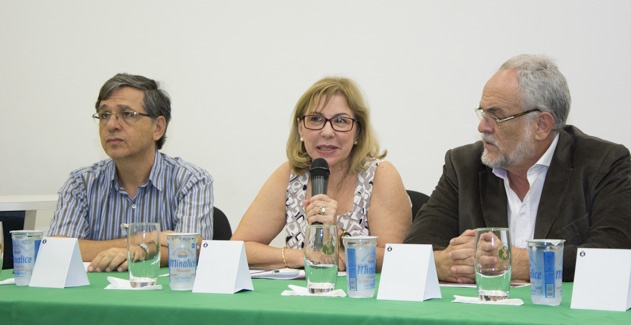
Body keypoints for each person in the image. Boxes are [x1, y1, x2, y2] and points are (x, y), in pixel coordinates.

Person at [404, 54, 631, 283]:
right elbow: (415, 249)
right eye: (482, 113)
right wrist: (445, 264)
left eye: (497, 116)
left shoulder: (601, 163)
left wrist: (523, 263)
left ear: (542, 125)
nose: (482, 127)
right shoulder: (463, 165)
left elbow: (617, 253)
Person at [232, 77, 412, 270]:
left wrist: (337, 234)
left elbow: (397, 260)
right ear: (301, 127)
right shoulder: (290, 176)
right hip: (300, 297)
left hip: (361, 297)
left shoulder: (380, 175)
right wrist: (302, 257)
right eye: (316, 119)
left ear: (358, 132)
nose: (327, 132)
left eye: (341, 121)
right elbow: (237, 249)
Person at [48, 73, 214, 273]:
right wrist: (141, 240)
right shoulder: (81, 183)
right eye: (104, 115)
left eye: (127, 114)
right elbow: (56, 250)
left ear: (158, 127)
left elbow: (190, 249)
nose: (111, 125)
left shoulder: (190, 180)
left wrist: (141, 252)